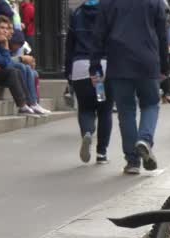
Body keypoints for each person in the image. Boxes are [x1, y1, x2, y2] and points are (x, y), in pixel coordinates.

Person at [90, 0, 169, 175]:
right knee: (150, 104)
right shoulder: (155, 2)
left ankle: (132, 161)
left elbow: (98, 35)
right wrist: (165, 66)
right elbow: (162, 36)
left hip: (119, 63)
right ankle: (145, 139)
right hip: (147, 61)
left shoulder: (107, 3)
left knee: (126, 111)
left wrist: (95, 65)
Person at [65, 0, 113, 164]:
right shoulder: (108, 11)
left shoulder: (76, 13)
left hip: (80, 67)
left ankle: (87, 132)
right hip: (101, 68)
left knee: (85, 109)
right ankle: (102, 153)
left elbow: (69, 45)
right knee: (104, 110)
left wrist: (68, 72)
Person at [0, 15, 35, 115]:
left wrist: (1, 64)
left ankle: (29, 104)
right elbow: (4, 62)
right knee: (13, 71)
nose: (5, 31)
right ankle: (23, 106)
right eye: (2, 28)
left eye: (6, 28)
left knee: (16, 71)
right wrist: (5, 45)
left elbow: (5, 62)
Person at [8, 27, 49, 114]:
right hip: (7, 67)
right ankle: (29, 102)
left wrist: (31, 62)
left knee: (33, 72)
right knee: (22, 67)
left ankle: (34, 102)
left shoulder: (22, 46)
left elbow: (30, 57)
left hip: (16, 65)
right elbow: (5, 60)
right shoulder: (3, 43)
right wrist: (21, 58)